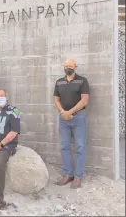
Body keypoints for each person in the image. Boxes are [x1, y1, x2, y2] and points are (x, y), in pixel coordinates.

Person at [53, 59, 90, 189]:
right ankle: (67, 174)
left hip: (78, 117)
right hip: (63, 119)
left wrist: (70, 112)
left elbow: (85, 100)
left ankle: (78, 176)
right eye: (66, 65)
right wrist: (63, 112)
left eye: (70, 65)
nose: (68, 67)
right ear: (63, 67)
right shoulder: (59, 82)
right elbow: (56, 100)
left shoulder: (82, 80)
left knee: (80, 146)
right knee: (64, 146)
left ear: (75, 67)